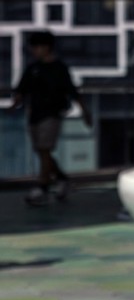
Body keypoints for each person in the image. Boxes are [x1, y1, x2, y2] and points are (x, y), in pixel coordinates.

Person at [10, 30, 92, 206]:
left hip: (52, 114)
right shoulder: (33, 68)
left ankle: (43, 187)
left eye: (37, 47)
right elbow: (21, 90)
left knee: (45, 149)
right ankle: (62, 179)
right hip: (35, 115)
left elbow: (72, 91)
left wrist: (85, 111)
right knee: (42, 151)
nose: (34, 50)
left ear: (47, 47)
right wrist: (13, 105)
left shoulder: (59, 69)